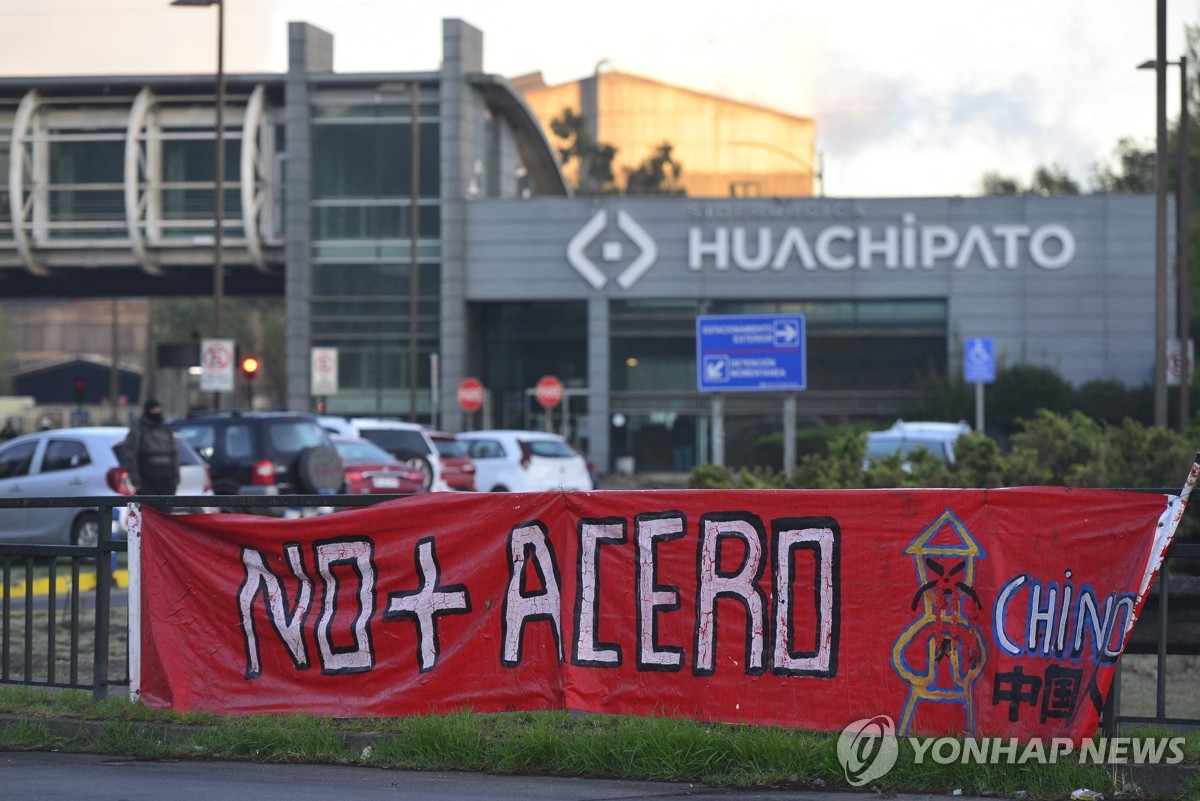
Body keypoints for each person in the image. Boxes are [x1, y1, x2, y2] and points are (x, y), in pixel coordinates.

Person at [122, 399, 179, 497]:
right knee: (148, 510)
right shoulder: (138, 431)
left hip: (166, 481)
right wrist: (135, 480)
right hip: (147, 481)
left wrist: (175, 478)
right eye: (154, 410)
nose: (157, 412)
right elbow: (130, 456)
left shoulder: (166, 431)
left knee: (165, 511)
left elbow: (174, 455)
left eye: (158, 409)